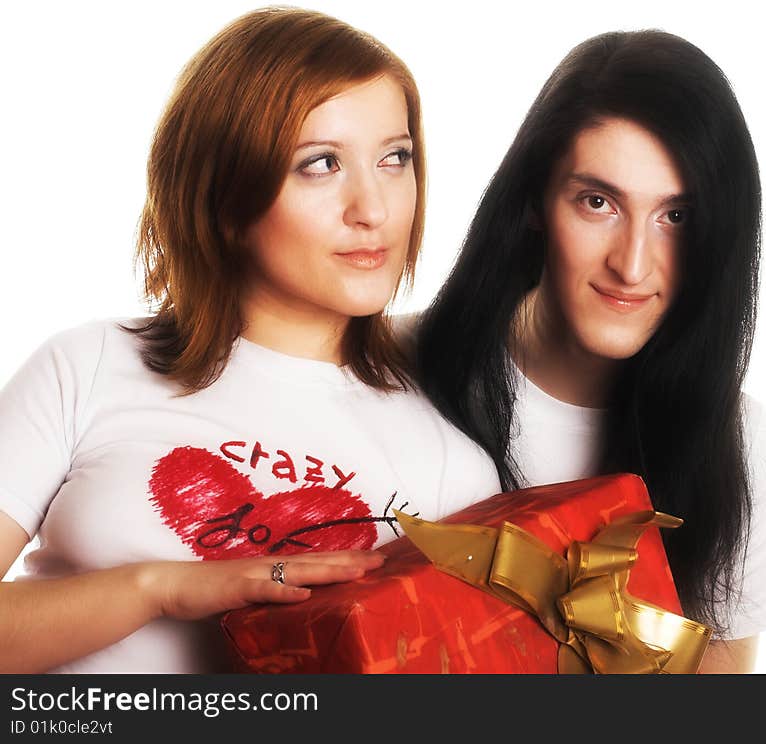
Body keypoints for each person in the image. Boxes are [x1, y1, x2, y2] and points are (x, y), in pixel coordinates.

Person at [0, 7, 499, 674]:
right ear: (224, 195)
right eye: (321, 164)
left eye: (394, 158)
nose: (373, 209)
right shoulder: (86, 365)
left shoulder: (451, 469)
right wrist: (160, 588)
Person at [413, 30, 766, 673]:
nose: (633, 265)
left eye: (675, 217)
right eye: (599, 202)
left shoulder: (741, 448)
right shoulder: (390, 371)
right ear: (535, 201)